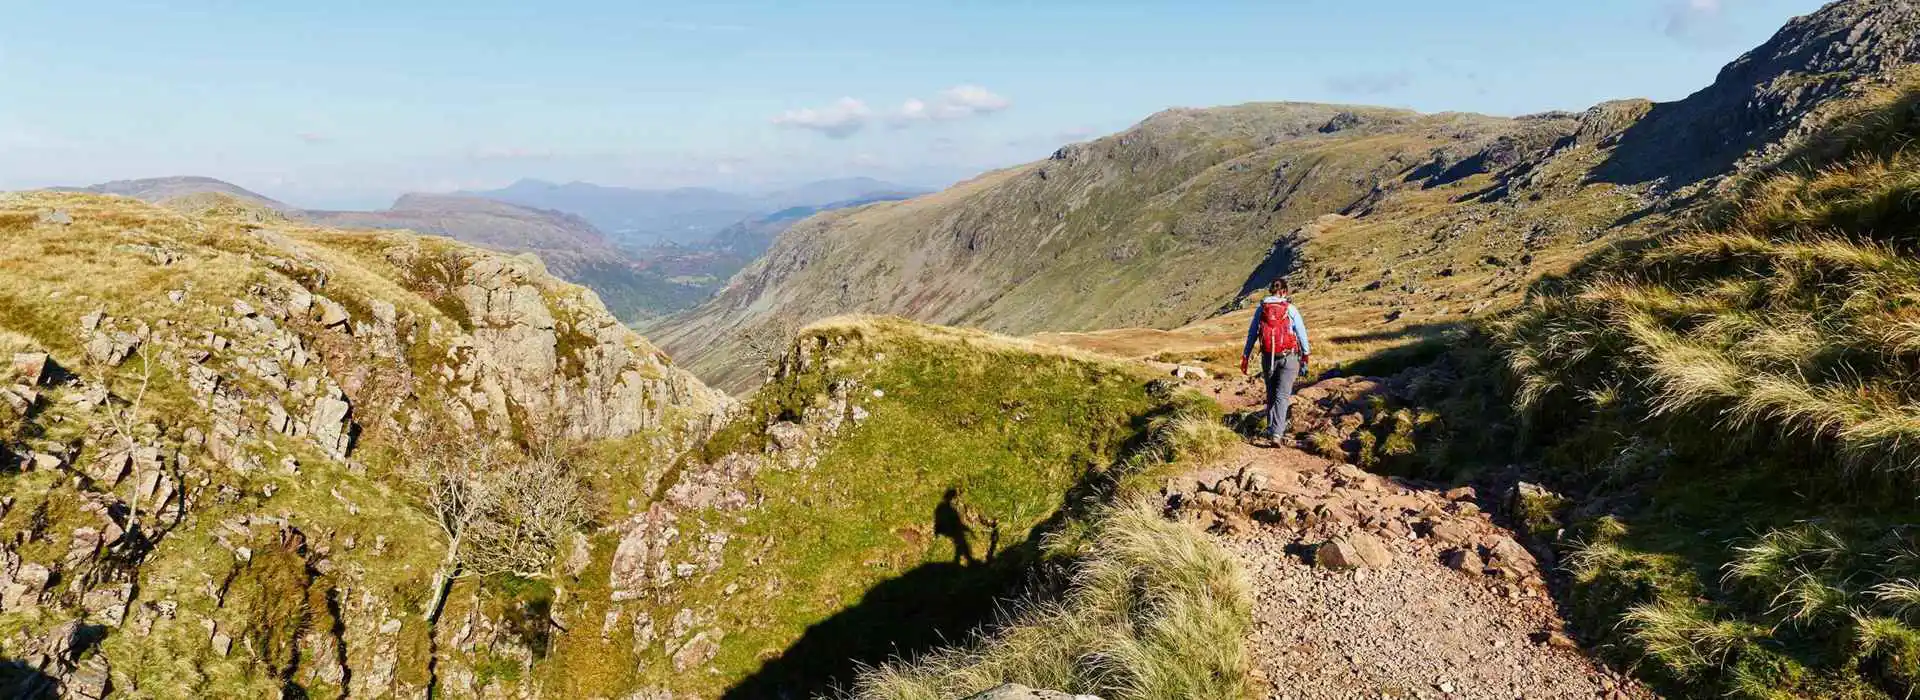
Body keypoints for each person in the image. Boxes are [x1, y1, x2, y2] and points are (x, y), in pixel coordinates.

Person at [1240, 278, 1311, 446]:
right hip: (1289, 357)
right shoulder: (1290, 309)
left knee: (1271, 394)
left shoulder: (1262, 309)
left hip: (1267, 357)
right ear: (1284, 291)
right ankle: (1277, 434)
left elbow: (1252, 334)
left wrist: (1245, 356)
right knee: (1282, 396)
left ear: (1271, 291)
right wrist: (1306, 354)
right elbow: (1301, 333)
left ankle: (1272, 429)